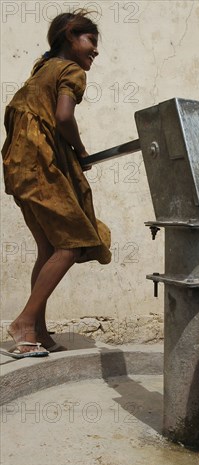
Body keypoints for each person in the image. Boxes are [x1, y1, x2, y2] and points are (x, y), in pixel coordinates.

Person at [1, 10, 111, 358]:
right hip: (40, 167)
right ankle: (24, 323)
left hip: (19, 167)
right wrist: (80, 150)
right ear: (70, 35)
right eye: (91, 41)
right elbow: (64, 116)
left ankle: (37, 330)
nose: (95, 51)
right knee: (71, 244)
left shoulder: (41, 70)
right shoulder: (70, 70)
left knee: (49, 248)